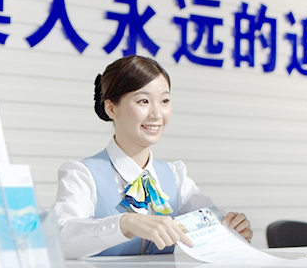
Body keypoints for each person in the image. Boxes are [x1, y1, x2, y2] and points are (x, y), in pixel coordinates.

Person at [51, 55, 253, 259]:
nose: (157, 114)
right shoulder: (82, 174)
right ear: (111, 108)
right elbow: (60, 237)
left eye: (165, 101)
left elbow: (214, 225)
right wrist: (125, 223)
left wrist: (233, 229)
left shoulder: (174, 176)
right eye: (143, 101)